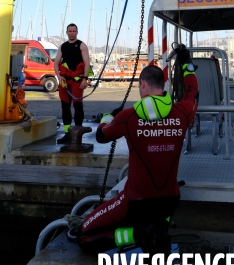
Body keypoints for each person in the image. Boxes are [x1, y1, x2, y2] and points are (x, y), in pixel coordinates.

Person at [78, 45, 198, 253]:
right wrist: (187, 64)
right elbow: (192, 92)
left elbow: (102, 135)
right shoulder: (182, 112)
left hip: (136, 203)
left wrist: (109, 117)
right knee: (158, 217)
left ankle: (137, 234)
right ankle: (158, 229)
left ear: (142, 84)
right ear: (163, 85)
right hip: (169, 203)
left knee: (84, 234)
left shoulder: (128, 117)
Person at [54, 24, 90, 144]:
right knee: (65, 107)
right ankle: (67, 133)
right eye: (70, 31)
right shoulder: (63, 47)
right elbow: (56, 63)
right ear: (67, 32)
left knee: (78, 106)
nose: (72, 33)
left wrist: (85, 79)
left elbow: (87, 62)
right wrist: (58, 77)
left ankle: (78, 133)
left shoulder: (81, 45)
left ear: (77, 32)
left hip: (77, 80)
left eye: (74, 31)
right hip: (64, 81)